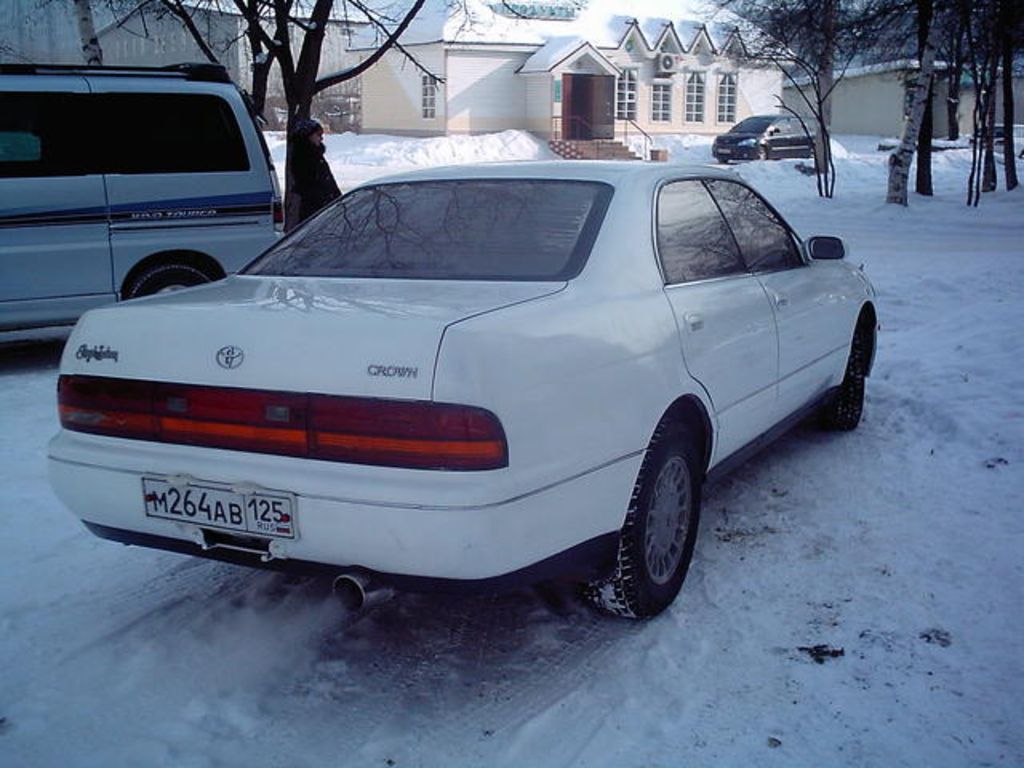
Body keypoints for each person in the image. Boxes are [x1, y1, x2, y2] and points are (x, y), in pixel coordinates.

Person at [289, 118, 341, 224]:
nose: (321, 138)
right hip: (315, 210)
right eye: (318, 135)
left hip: (327, 206)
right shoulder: (303, 158)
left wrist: (338, 199)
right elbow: (309, 186)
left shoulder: (317, 155)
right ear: (308, 136)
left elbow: (329, 181)